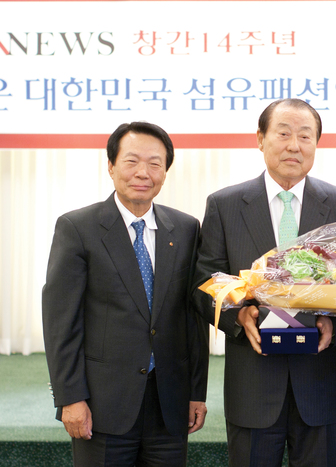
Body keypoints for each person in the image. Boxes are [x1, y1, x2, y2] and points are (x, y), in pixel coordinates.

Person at [192, 98, 336, 467]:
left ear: (316, 143)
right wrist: (238, 316)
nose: (294, 146)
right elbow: (205, 282)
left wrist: (335, 324)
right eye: (283, 134)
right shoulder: (225, 204)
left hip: (322, 384)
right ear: (260, 139)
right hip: (253, 385)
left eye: (305, 136)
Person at [42, 122, 208, 466]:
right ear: (111, 166)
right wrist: (70, 397)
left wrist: (196, 392)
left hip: (169, 404)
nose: (143, 173)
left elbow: (193, 320)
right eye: (131, 161)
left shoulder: (186, 229)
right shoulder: (78, 228)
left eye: (155, 163)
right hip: (102, 405)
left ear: (165, 171)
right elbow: (61, 323)